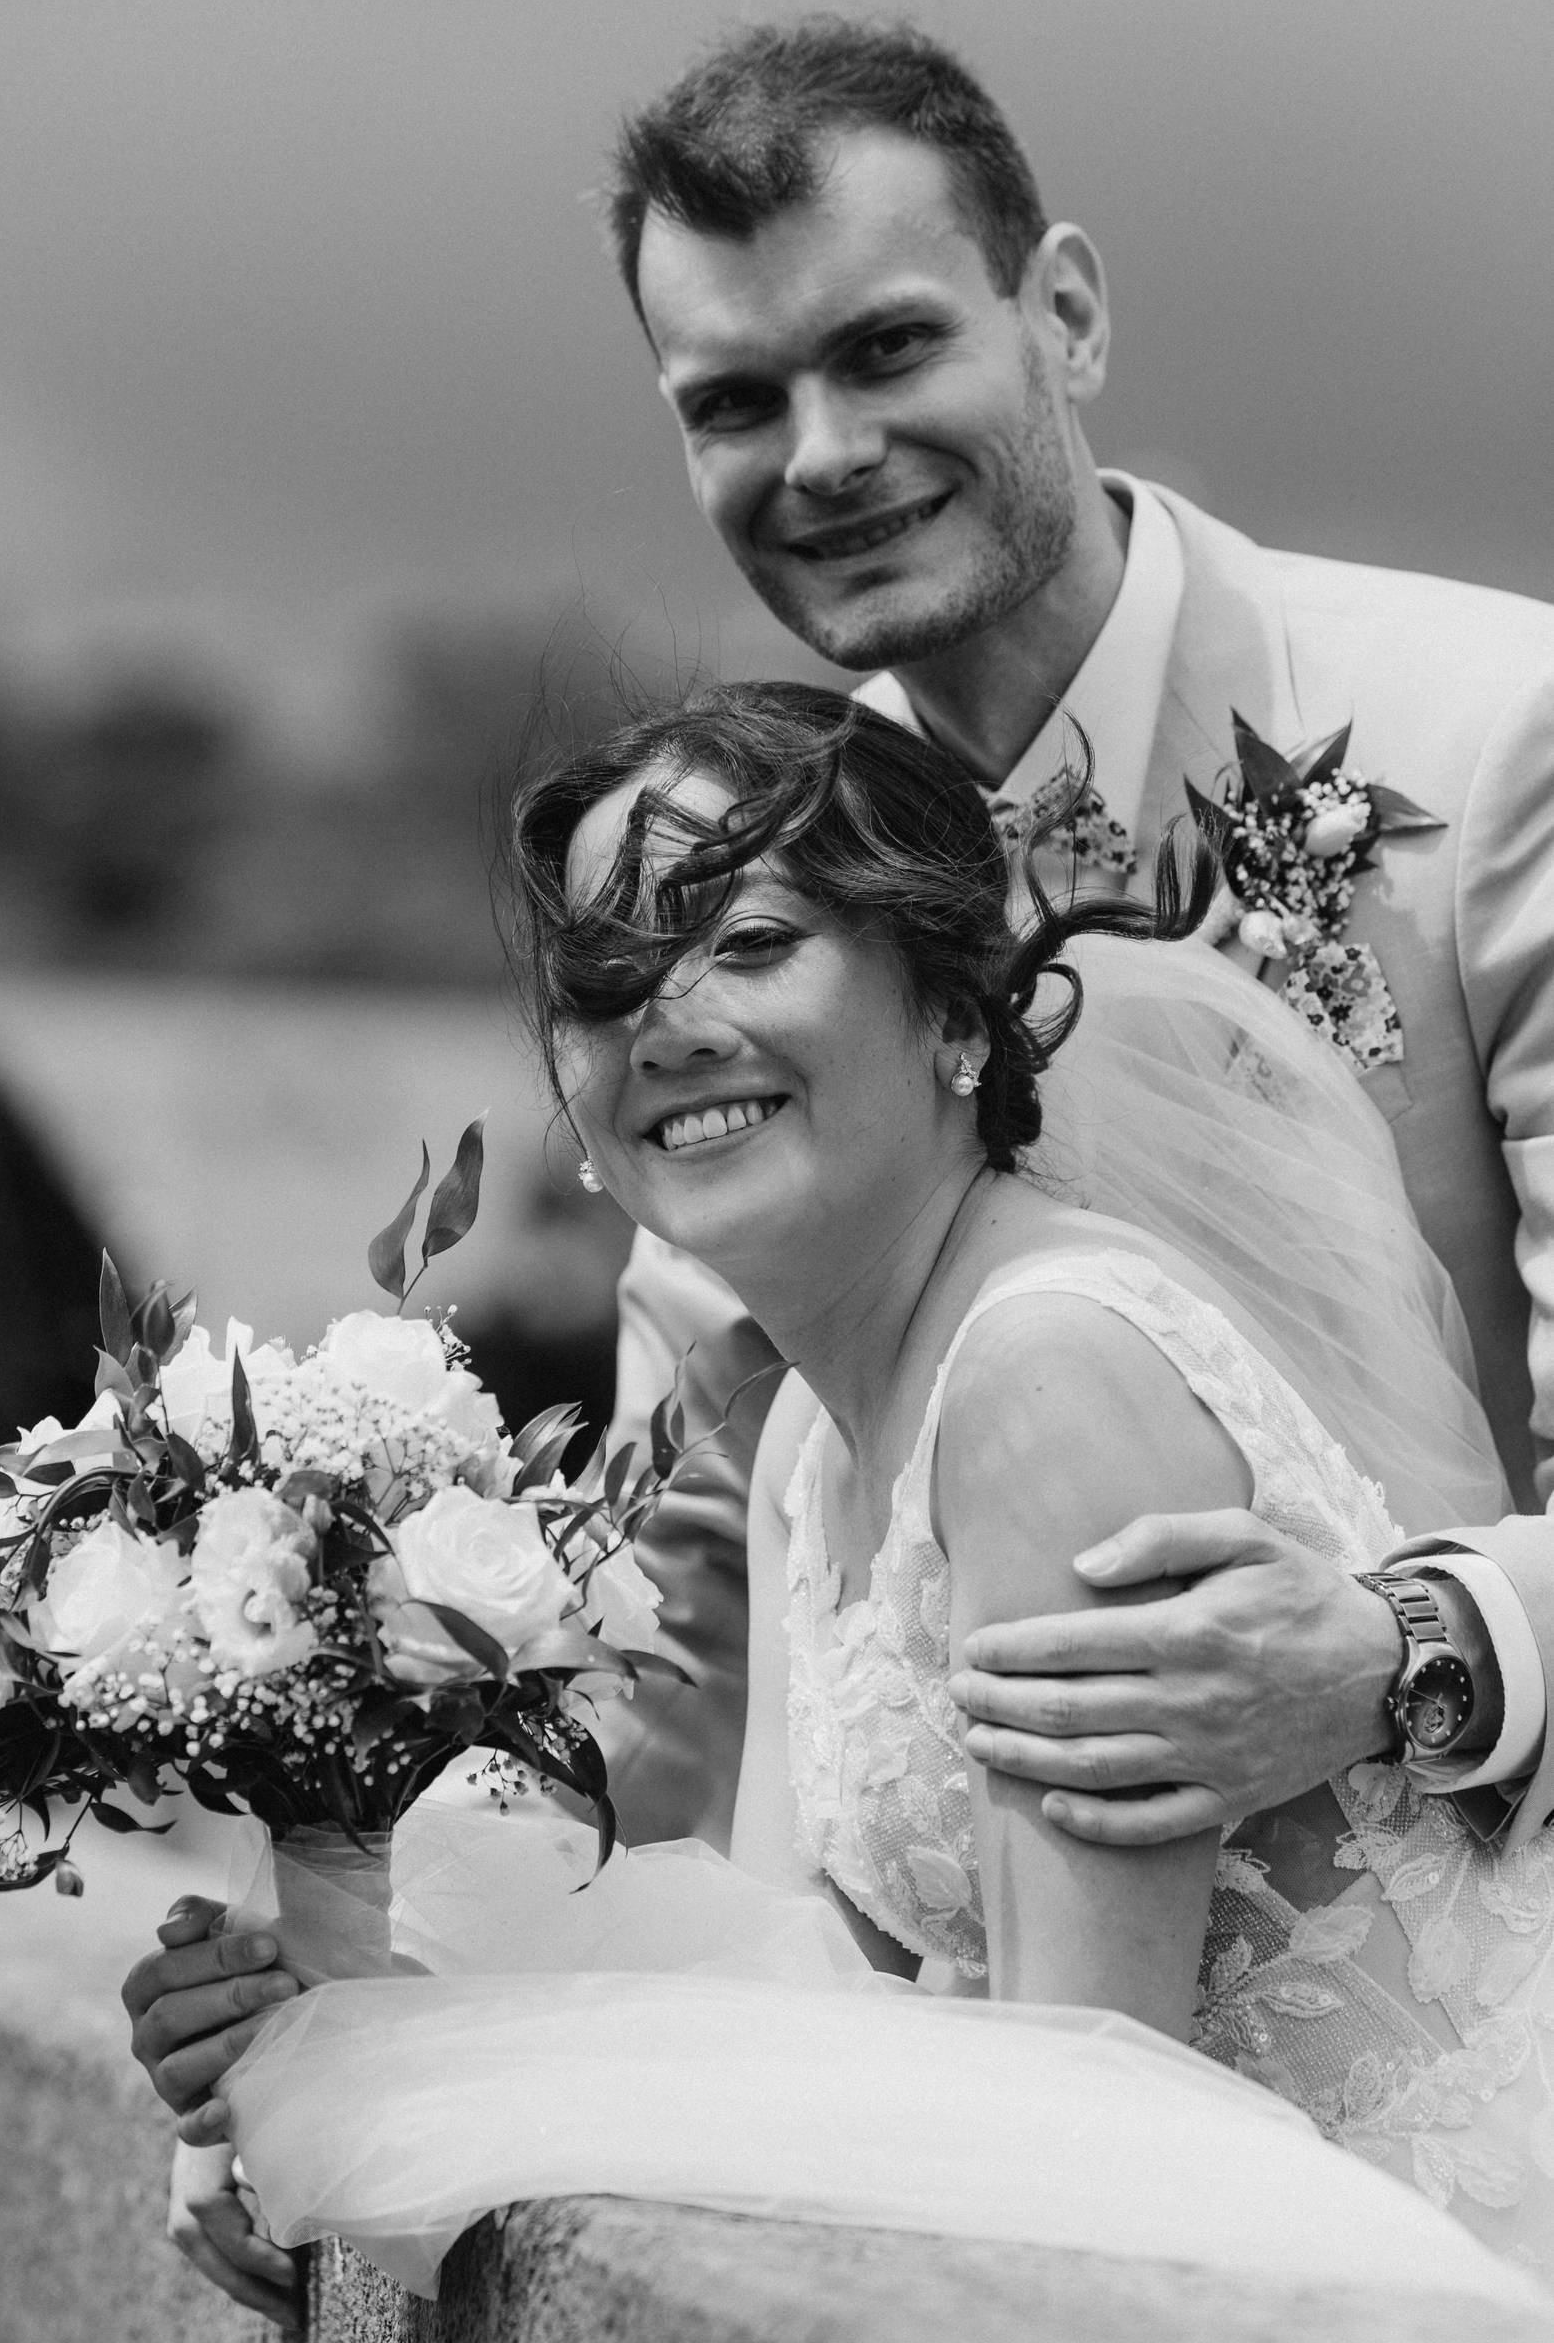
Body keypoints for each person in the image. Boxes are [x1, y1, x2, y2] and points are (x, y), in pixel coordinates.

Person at [128, 686, 1553, 2278]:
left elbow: (1099, 2138)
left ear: (956, 1017)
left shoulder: (1044, 1379)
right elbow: (856, 1996)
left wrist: (438, 2099)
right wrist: (351, 2024)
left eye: (748, 943)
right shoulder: (816, 1428)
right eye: (604, 980)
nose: (664, 1018)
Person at [592, 14, 1554, 1862]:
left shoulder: (1500, 749)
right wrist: (336, 1937)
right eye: (732, 401)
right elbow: (673, 1615)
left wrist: (1404, 1651)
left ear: (1069, 316)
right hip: (998, 2044)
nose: (822, 455)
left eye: (887, 348)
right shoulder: (727, 903)